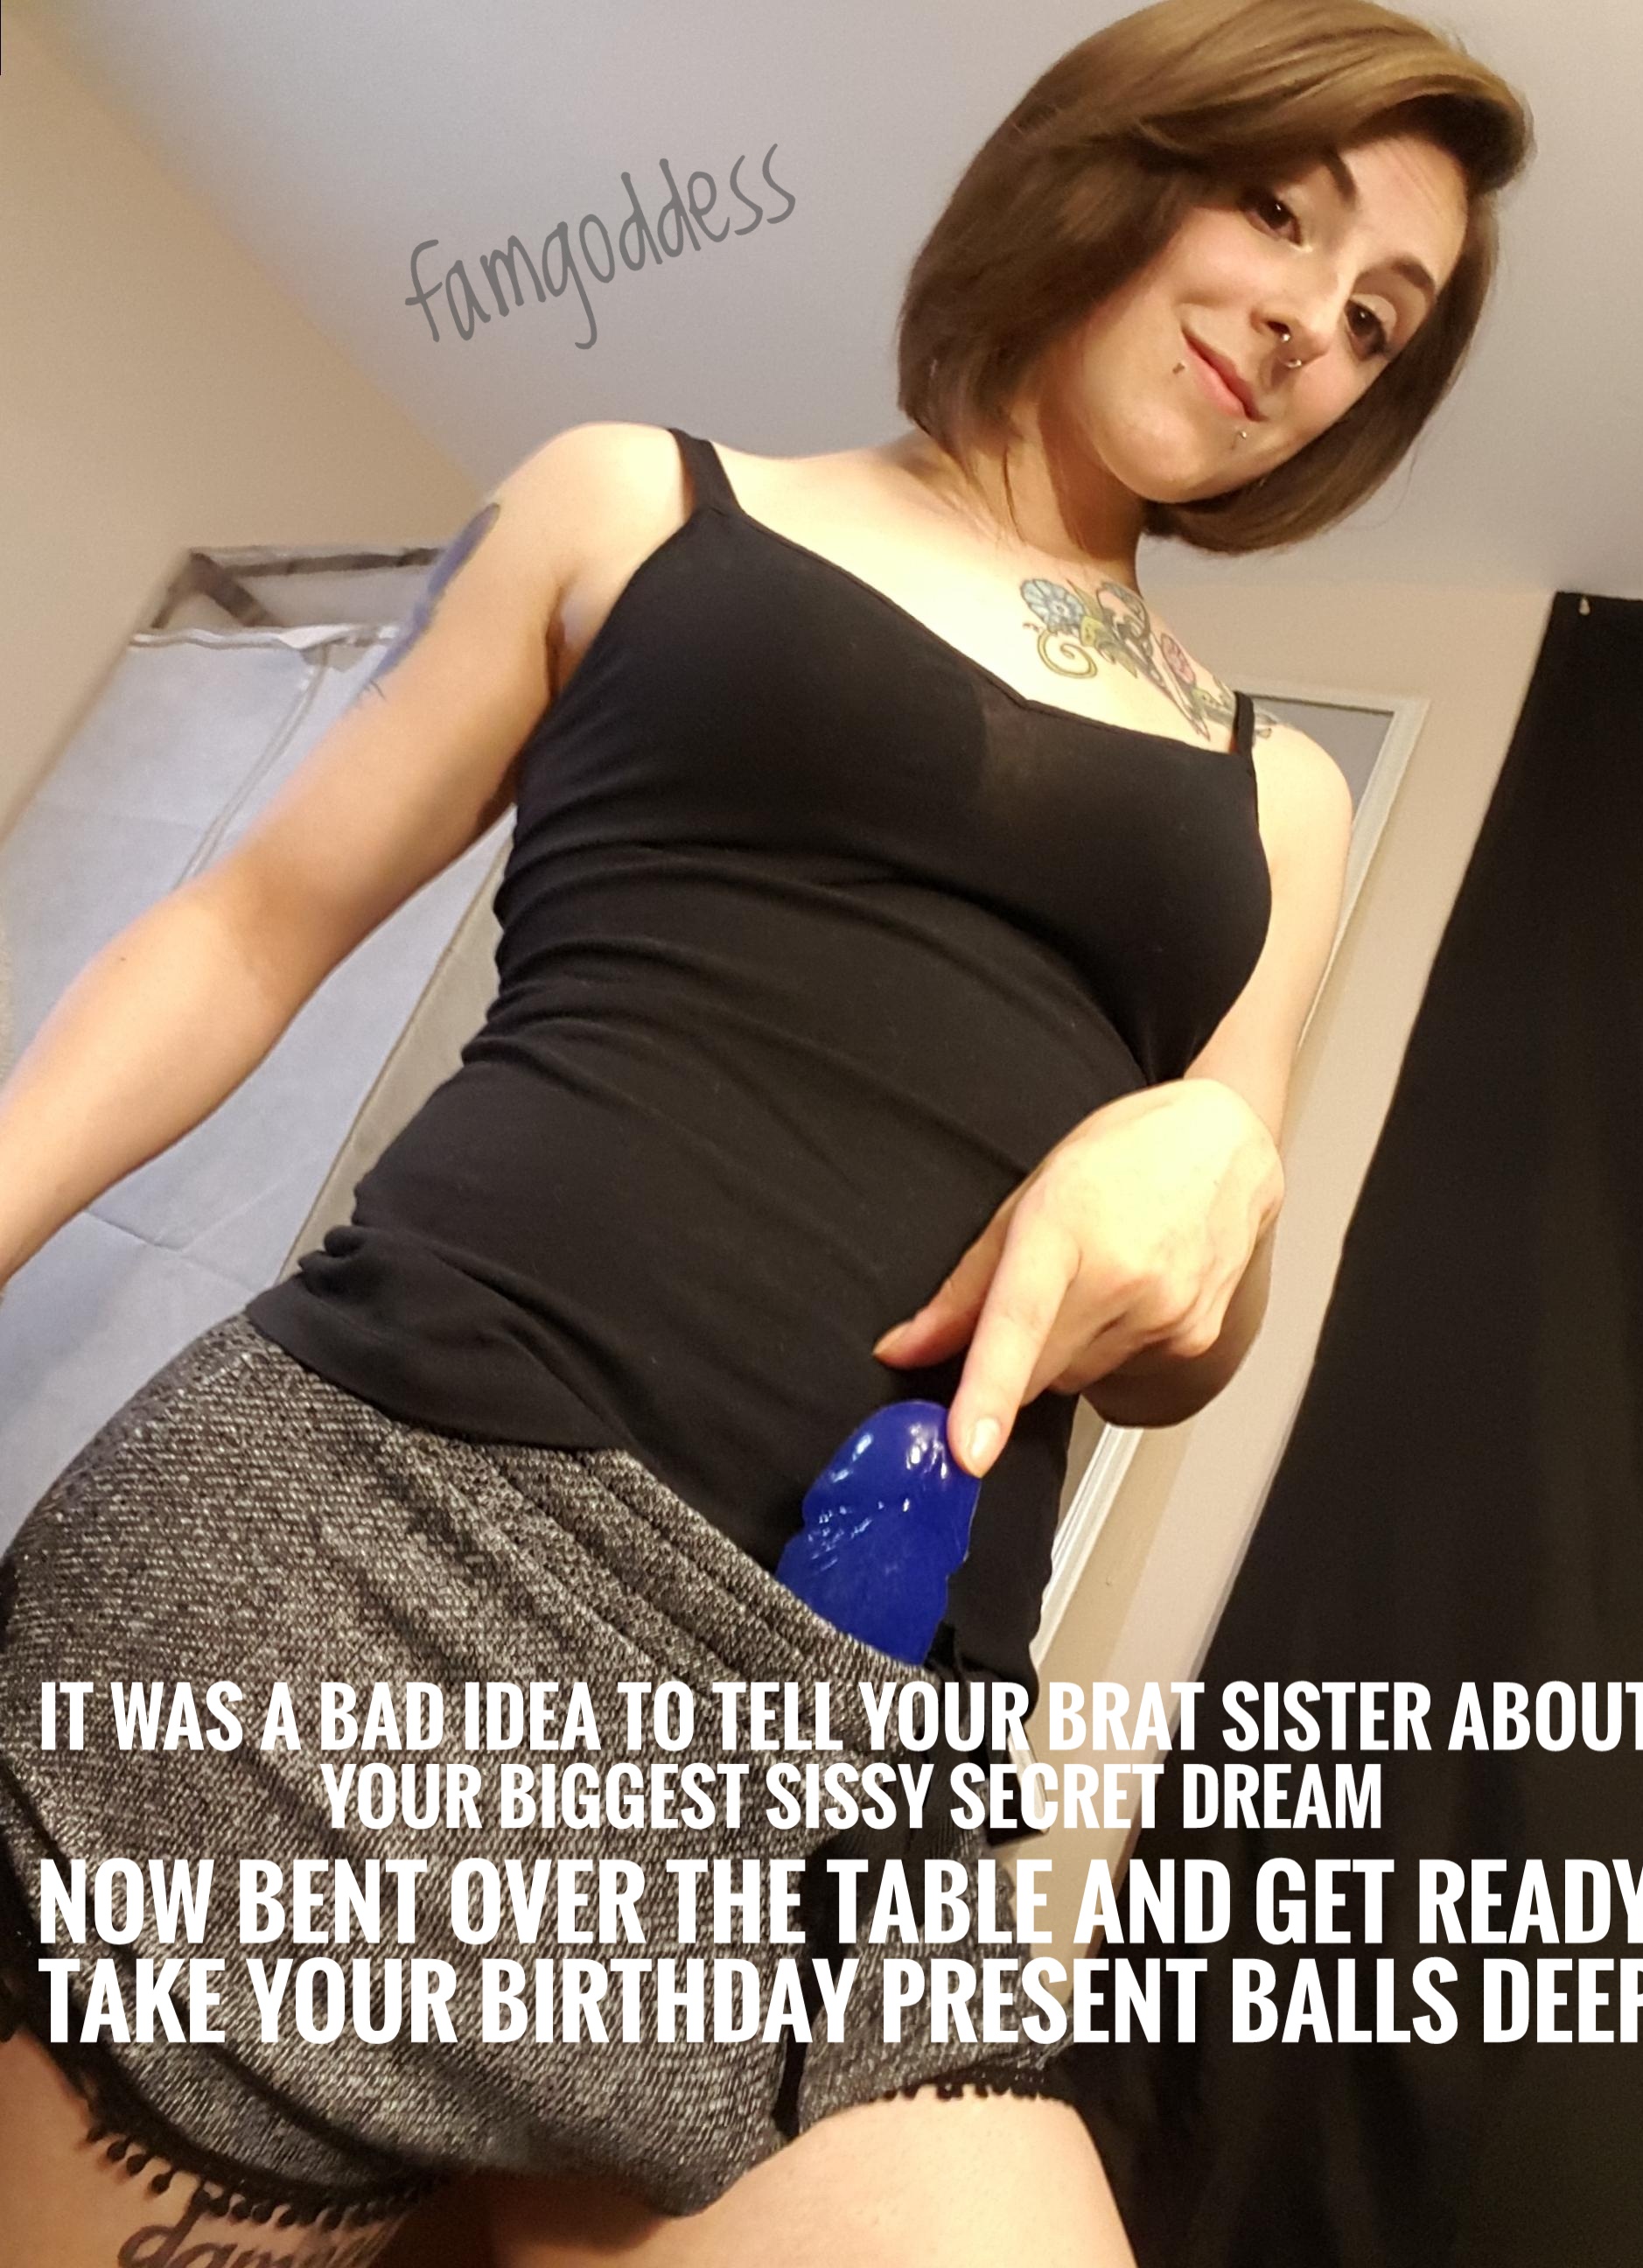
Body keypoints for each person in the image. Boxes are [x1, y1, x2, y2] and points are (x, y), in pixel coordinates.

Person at [0, 0, 1531, 2260]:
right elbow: (247, 927)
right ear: (1117, 162)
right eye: (1281, 215)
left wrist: (1226, 1166)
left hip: (853, 1751)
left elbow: (1184, 1347)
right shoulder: (641, 500)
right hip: (376, 1561)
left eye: (1381, 320)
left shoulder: (1278, 796)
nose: (1317, 324)